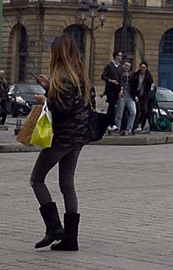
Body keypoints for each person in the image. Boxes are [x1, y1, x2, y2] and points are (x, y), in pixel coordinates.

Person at [30, 34, 90, 252]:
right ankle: (71, 239)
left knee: (37, 179)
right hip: (78, 138)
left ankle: (54, 228)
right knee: (67, 185)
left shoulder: (63, 76)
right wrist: (49, 88)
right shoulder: (80, 75)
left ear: (58, 53)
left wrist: (45, 99)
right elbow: (76, 104)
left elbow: (63, 108)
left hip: (62, 138)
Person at [114, 58, 137, 135]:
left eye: (128, 66)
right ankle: (118, 128)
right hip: (122, 97)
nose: (127, 67)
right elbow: (117, 83)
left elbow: (134, 86)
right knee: (119, 114)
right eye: (126, 65)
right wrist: (119, 90)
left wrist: (135, 95)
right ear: (123, 65)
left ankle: (129, 129)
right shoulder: (119, 73)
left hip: (130, 97)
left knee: (133, 112)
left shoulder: (132, 75)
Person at [101, 54, 123, 124]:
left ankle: (107, 122)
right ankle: (112, 123)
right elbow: (103, 76)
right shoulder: (109, 66)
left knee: (113, 106)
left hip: (117, 89)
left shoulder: (121, 67)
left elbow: (121, 79)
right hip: (110, 88)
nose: (121, 57)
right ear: (116, 56)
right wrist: (110, 80)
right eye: (119, 55)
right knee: (112, 105)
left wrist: (121, 89)